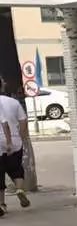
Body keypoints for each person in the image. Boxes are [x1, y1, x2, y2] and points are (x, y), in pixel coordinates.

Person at [0, 79, 31, 217]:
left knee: (0, 174)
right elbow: (23, 121)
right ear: (1, 86)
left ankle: (2, 204)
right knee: (16, 168)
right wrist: (22, 138)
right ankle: (19, 189)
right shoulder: (13, 102)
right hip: (14, 141)